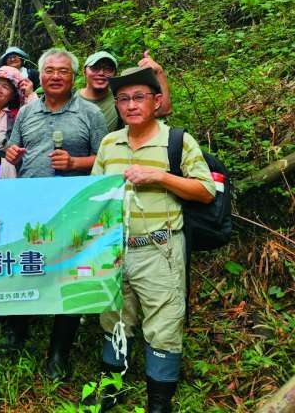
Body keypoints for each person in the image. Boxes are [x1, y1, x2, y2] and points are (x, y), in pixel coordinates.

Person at [87, 67, 215, 412]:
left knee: (164, 324)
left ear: (157, 101)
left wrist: (160, 176)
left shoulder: (177, 140)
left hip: (160, 248)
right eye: (124, 99)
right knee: (113, 318)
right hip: (115, 248)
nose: (131, 105)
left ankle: (159, 403)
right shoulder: (108, 143)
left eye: (139, 97)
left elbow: (205, 191)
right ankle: (110, 390)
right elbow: (93, 195)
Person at [4, 48, 107, 380]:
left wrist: (76, 164)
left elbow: (107, 158)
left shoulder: (90, 113)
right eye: (49, 70)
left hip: (75, 211)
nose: (56, 76)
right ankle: (17, 331)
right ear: (40, 75)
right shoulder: (26, 112)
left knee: (71, 277)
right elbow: (13, 149)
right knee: (28, 268)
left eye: (63, 71)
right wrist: (12, 152)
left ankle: (58, 354)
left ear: (73, 77)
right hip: (31, 207)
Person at [79, 50, 173, 132]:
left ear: (114, 74)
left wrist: (159, 72)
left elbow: (163, 110)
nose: (101, 73)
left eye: (108, 69)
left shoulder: (122, 98)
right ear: (84, 71)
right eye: (95, 68)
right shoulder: (70, 98)